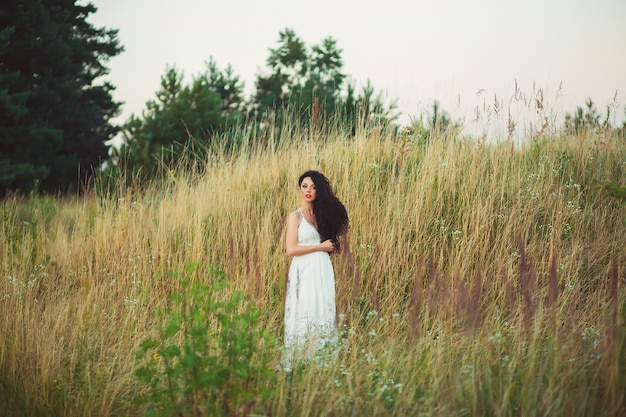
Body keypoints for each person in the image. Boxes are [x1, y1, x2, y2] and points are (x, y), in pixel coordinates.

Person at [283, 170, 349, 370]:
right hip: (303, 269)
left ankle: (322, 359)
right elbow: (291, 249)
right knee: (304, 309)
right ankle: (301, 358)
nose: (308, 191)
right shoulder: (295, 216)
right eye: (304, 186)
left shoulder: (321, 216)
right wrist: (320, 247)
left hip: (322, 268)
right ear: (299, 189)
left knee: (323, 306)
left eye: (313, 187)